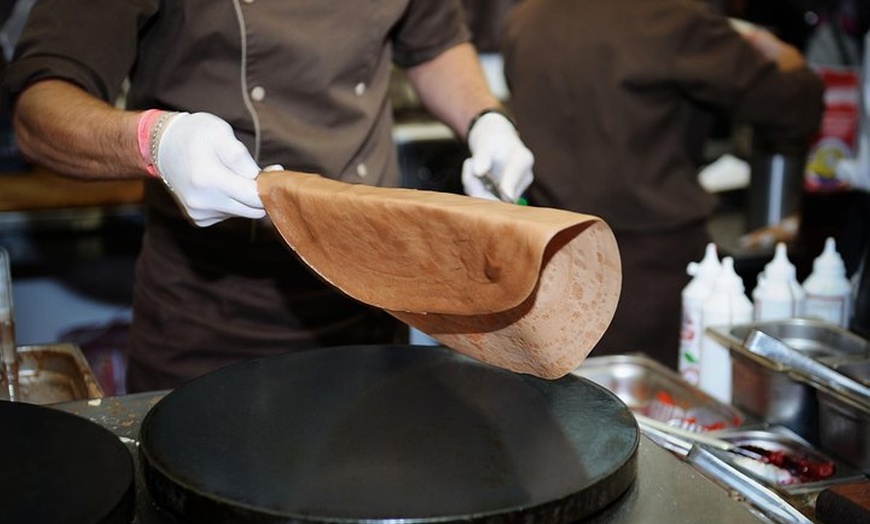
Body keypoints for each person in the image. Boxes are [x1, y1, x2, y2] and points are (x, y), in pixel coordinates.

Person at [1, 0, 534, 392]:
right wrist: (156, 141)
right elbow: (41, 106)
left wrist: (484, 118)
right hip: (215, 319)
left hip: (373, 300)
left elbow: (433, 39)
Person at [501, 0, 824, 369]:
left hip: (549, 264)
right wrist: (791, 62)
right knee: (651, 413)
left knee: (562, 409)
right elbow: (792, 109)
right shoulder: (672, 18)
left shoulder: (526, 17)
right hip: (651, 274)